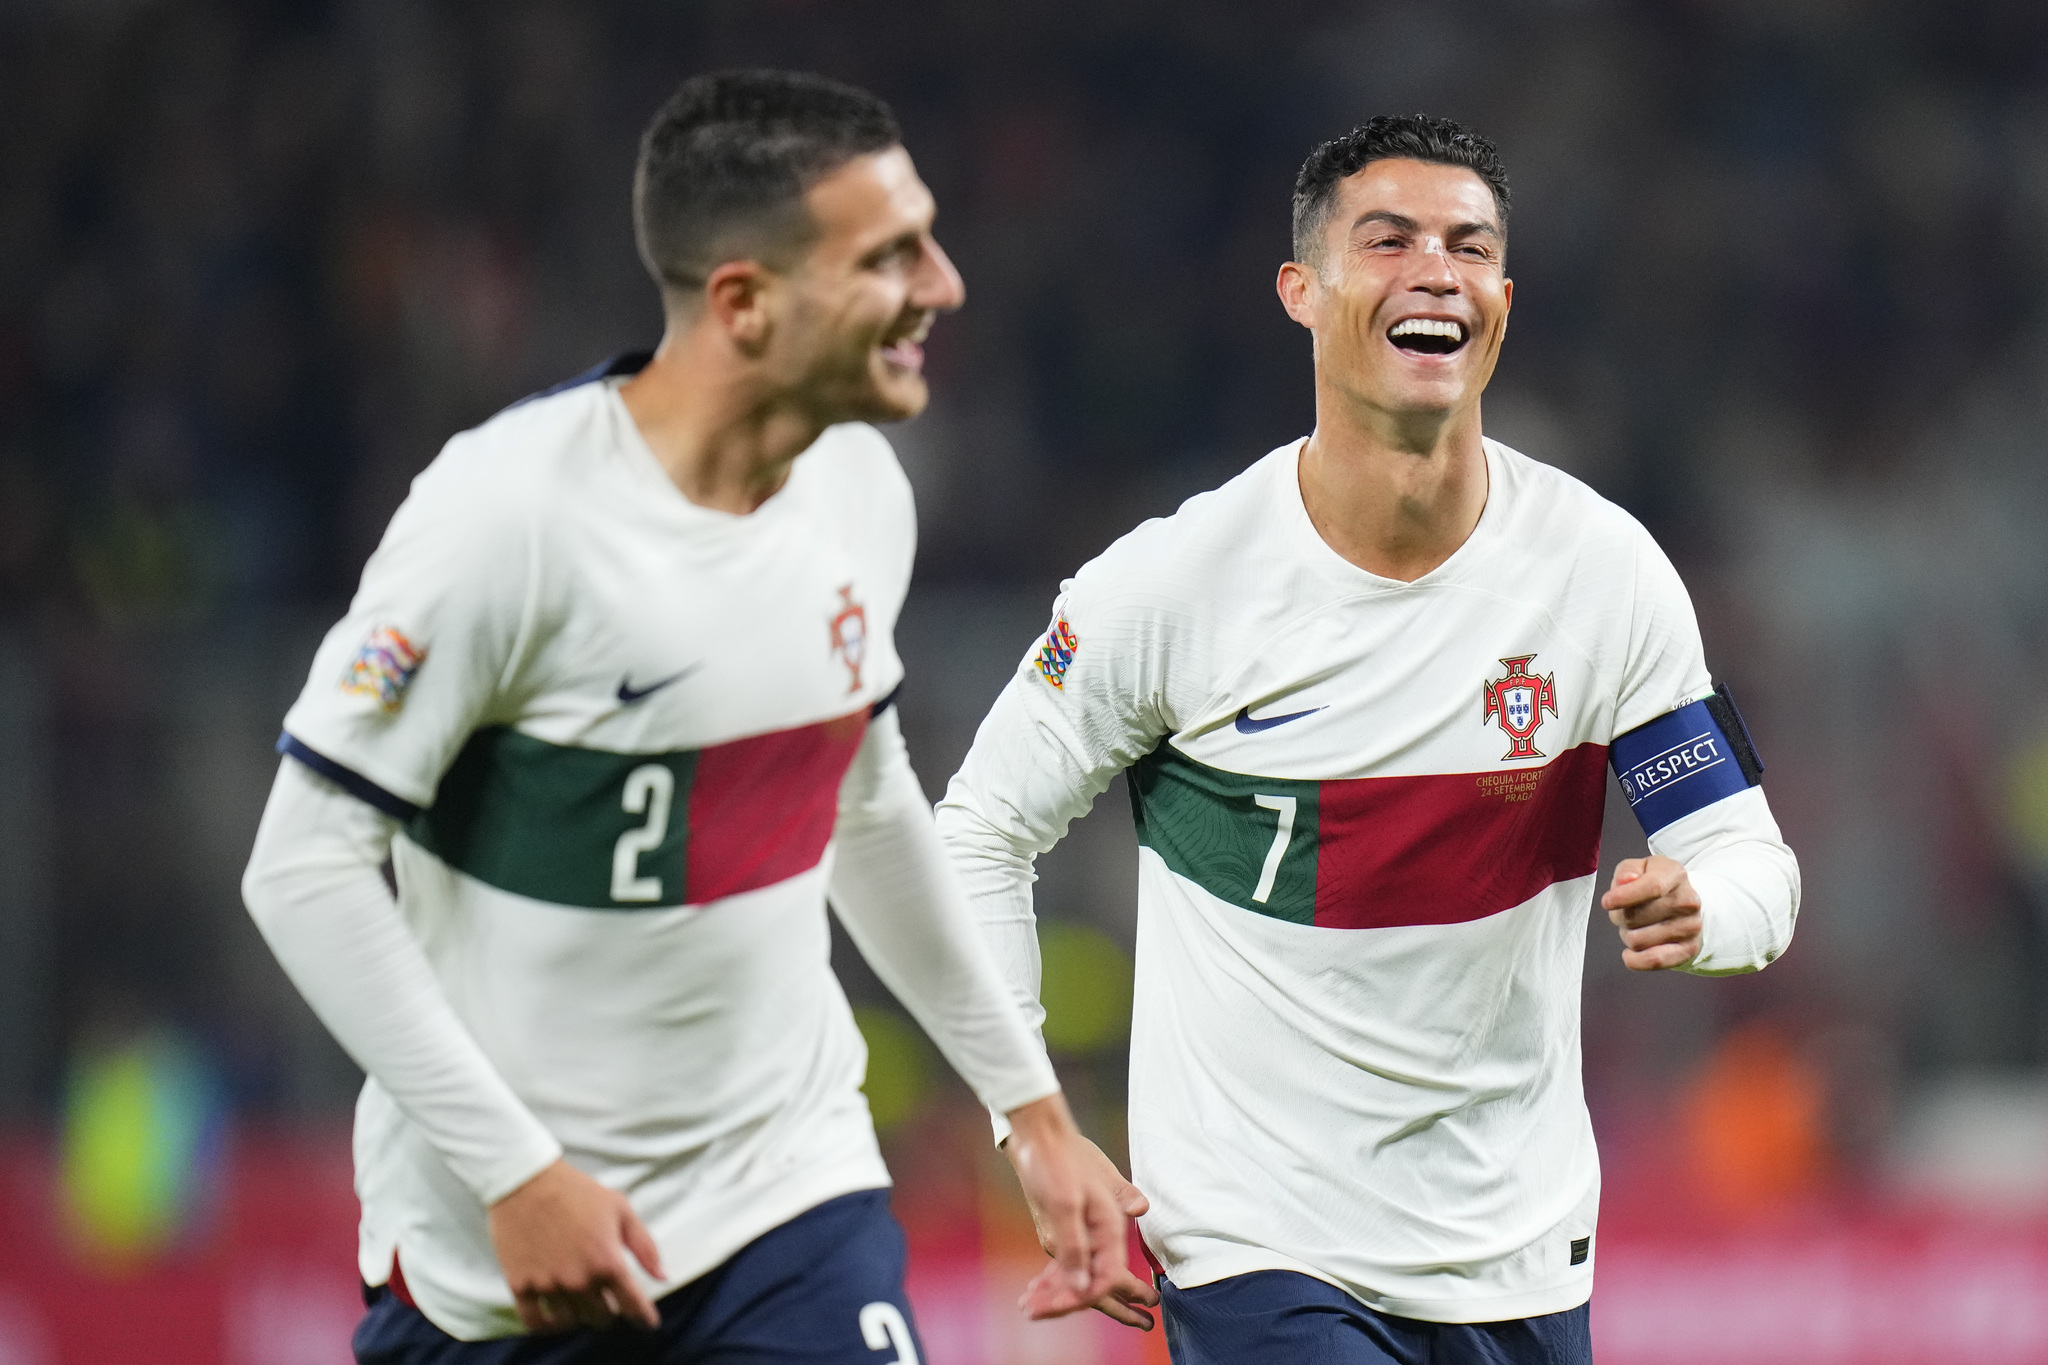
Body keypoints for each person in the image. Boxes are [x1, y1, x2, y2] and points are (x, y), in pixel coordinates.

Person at [241, 69, 1137, 1365]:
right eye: (890, 256)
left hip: (790, 1203)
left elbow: (867, 801)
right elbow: (302, 868)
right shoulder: (510, 518)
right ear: (744, 301)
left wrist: (1032, 1108)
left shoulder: (861, 493)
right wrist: (516, 1173)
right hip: (509, 1255)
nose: (943, 283)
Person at [936, 114, 1801, 1364]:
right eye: (1385, 241)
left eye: (1466, 246)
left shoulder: (1601, 575)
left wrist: (1702, 912)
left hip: (1517, 1247)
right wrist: (1033, 1126)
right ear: (1303, 290)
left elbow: (1749, 863)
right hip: (1256, 1246)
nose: (1432, 271)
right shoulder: (1172, 586)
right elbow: (976, 834)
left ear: (1501, 297)